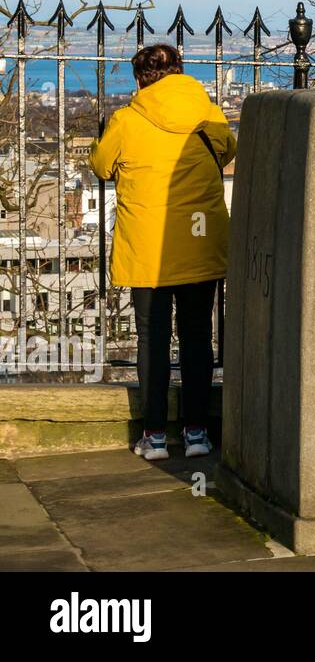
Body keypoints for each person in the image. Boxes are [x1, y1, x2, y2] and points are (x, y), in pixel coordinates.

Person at [90, 44, 236, 461]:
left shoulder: (127, 120)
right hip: (199, 243)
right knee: (195, 338)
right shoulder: (207, 114)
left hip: (148, 248)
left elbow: (102, 165)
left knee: (152, 339)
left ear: (139, 79)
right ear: (180, 72)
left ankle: (153, 434)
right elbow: (228, 150)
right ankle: (196, 432)